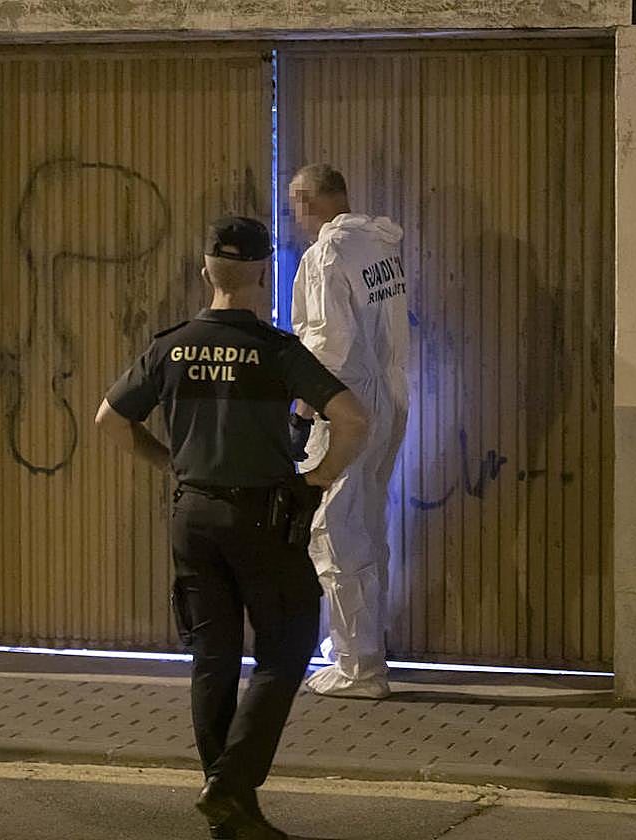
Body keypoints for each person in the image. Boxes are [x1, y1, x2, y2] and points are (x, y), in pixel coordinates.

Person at [95, 216, 369, 840]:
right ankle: (232, 784)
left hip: (193, 516)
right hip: (261, 519)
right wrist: (316, 479)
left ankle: (229, 811)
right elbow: (354, 420)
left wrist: (170, 462)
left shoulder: (171, 346)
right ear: (264, 274)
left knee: (212, 658)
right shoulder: (276, 352)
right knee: (289, 644)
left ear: (205, 271)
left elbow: (109, 420)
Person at [287, 164, 411, 700]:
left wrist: (301, 406)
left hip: (344, 404)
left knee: (333, 533)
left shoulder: (327, 254)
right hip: (386, 399)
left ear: (307, 201)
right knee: (366, 526)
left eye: (295, 206)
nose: (294, 219)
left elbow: (326, 344)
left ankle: (357, 667)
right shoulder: (378, 246)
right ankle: (366, 655)